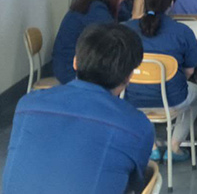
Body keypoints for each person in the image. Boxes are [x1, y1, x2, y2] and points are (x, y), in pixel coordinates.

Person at [3, 24, 153, 194]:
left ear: (75, 62)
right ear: (129, 76)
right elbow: (135, 185)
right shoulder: (136, 125)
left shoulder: (27, 105)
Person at [124, 0, 197, 162]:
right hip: (172, 99)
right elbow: (190, 71)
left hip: (130, 98)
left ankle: (152, 147)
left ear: (143, 1)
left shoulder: (126, 29)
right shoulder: (183, 32)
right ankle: (174, 147)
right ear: (172, 3)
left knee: (142, 99)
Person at [52, 0, 128, 84]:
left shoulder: (91, 3)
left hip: (66, 64)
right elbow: (115, 41)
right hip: (70, 70)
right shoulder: (97, 11)